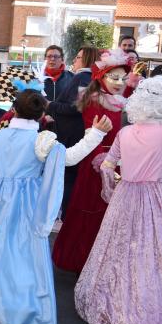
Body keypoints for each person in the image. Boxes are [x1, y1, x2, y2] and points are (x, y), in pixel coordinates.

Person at [0, 89, 112, 324]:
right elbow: (69, 158)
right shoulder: (41, 141)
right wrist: (96, 134)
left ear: (14, 110)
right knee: (18, 255)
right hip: (26, 205)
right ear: (42, 115)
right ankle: (9, 311)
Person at [74, 76, 162, 324]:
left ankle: (113, 298)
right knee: (151, 246)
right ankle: (142, 300)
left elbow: (107, 164)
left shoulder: (125, 132)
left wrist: (114, 182)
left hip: (125, 193)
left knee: (118, 245)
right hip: (152, 194)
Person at [52, 49, 140, 273]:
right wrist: (105, 161)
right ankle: (81, 259)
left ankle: (100, 259)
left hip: (114, 160)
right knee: (91, 207)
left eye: (122, 78)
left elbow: (122, 95)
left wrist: (131, 84)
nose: (119, 83)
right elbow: (95, 134)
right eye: (115, 77)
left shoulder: (116, 97)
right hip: (97, 161)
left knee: (107, 211)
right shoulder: (94, 100)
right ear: (102, 77)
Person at [46, 46, 99, 218]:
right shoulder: (90, 78)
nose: (74, 60)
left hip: (71, 133)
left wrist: (49, 105)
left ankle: (66, 216)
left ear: (86, 60)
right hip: (76, 132)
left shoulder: (83, 77)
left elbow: (76, 108)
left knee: (68, 176)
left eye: (77, 57)